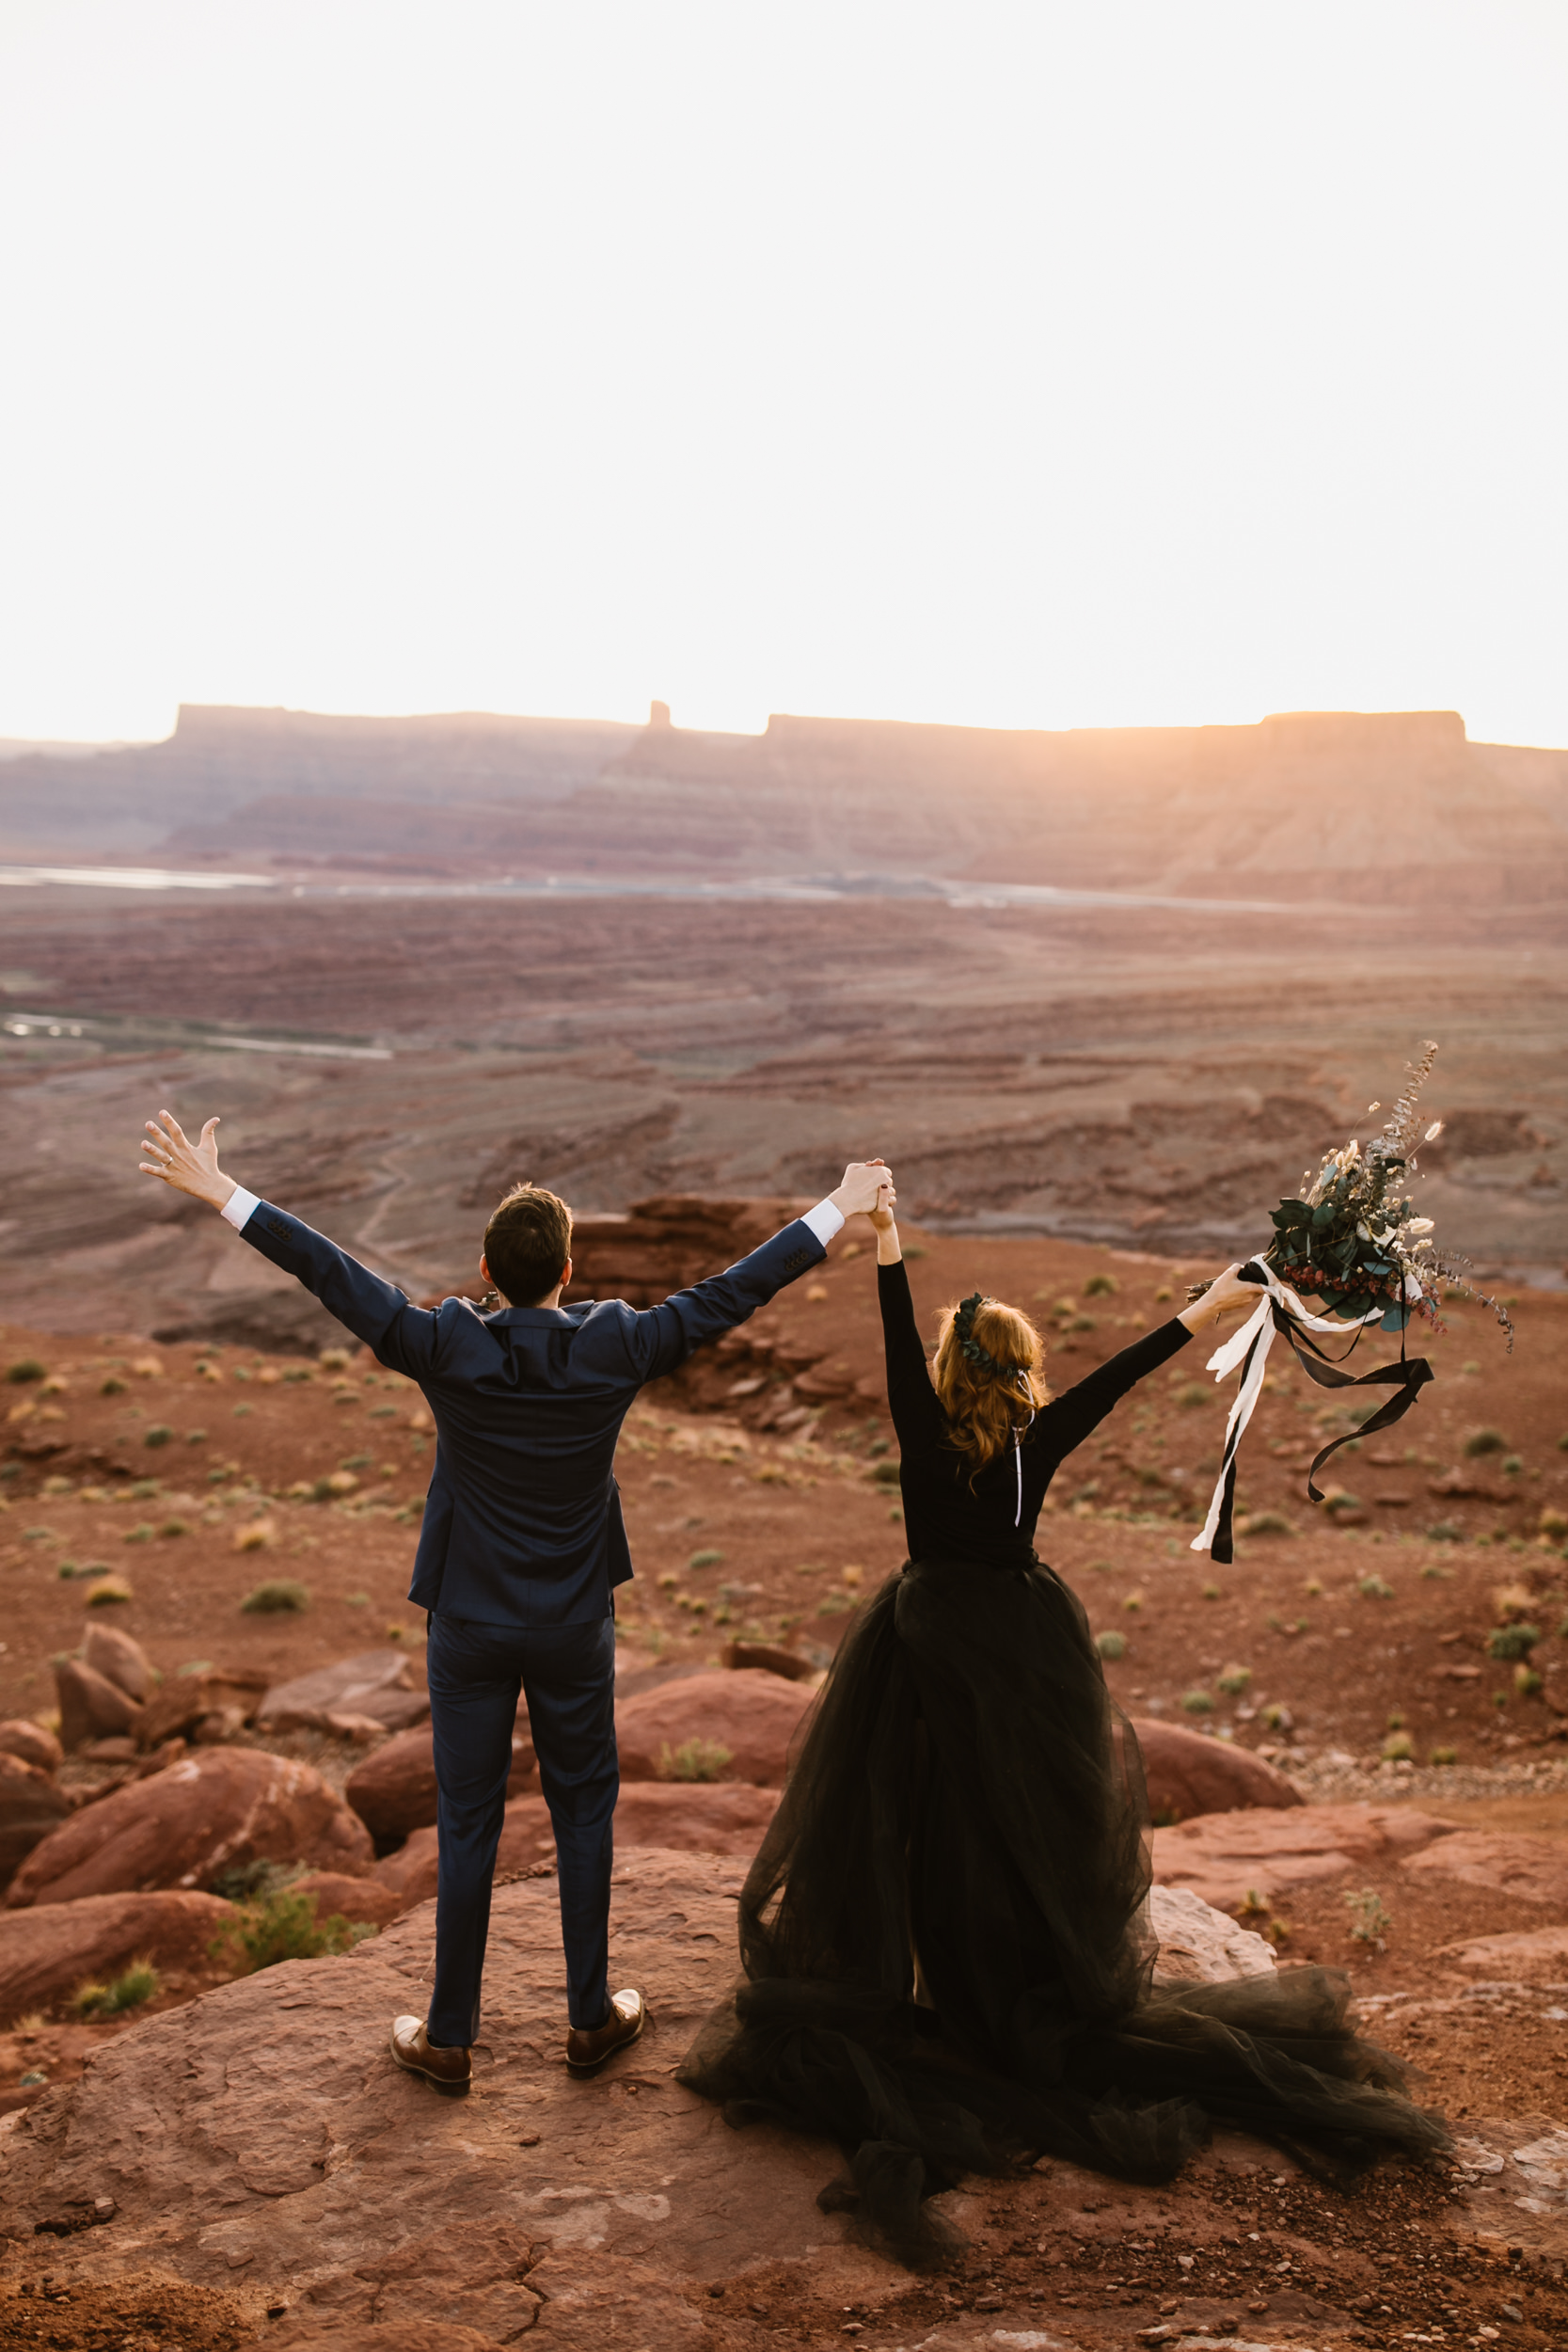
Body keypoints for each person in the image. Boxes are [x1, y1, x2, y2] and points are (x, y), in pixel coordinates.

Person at [679, 1174, 1449, 2261]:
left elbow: (895, 1336)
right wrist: (1216, 1301)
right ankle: (1015, 1983)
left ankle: (920, 1974)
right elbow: (1129, 1370)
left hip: (921, 1643)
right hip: (1022, 1649)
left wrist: (889, 1238)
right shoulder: (1036, 1441)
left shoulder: (920, 1426)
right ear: (1023, 1375)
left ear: (949, 1376)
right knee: (1017, 1829)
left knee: (916, 1819)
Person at [138, 1107, 894, 2095]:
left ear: (485, 1271)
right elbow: (730, 1294)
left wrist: (222, 1194)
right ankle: (588, 2018)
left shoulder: (442, 1342)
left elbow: (330, 1273)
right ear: (568, 1272)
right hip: (574, 1621)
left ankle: (450, 2035)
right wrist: (837, 1208)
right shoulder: (617, 1345)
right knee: (583, 1812)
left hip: (469, 1619)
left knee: (467, 1820)